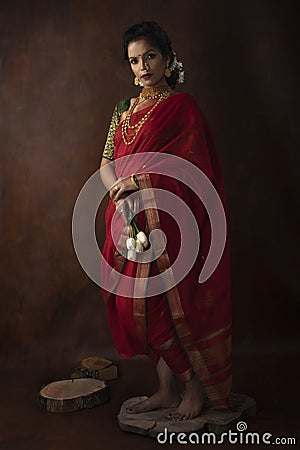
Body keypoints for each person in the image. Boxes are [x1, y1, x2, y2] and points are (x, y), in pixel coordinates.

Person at [100, 21, 232, 421]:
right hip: (126, 218)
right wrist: (118, 189)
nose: (142, 67)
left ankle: (193, 388)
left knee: (163, 303)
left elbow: (193, 170)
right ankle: (164, 389)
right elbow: (106, 163)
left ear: (167, 58)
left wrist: (140, 181)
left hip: (170, 218)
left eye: (150, 56)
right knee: (133, 306)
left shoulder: (182, 108)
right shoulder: (123, 110)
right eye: (134, 61)